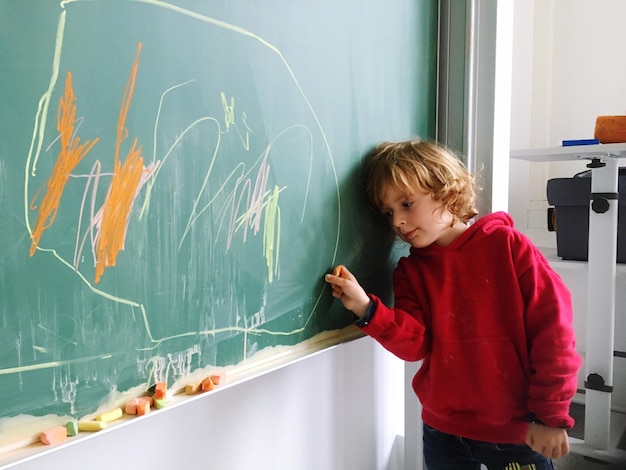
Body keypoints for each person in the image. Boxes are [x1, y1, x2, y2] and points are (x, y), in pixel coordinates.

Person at [325, 139, 581, 470]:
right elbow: (416, 344)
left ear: (446, 191)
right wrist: (366, 308)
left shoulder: (507, 246)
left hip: (516, 433)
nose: (397, 222)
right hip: (444, 432)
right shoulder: (410, 272)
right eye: (389, 213)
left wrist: (551, 414)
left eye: (407, 204)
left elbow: (555, 333)